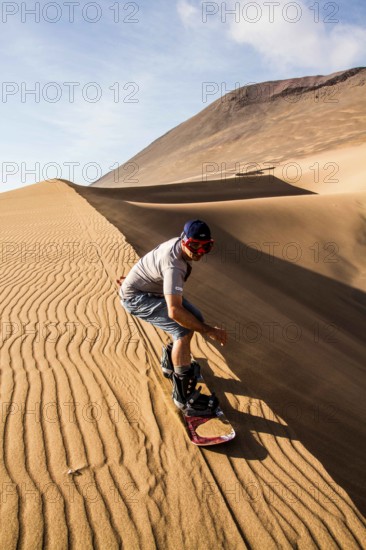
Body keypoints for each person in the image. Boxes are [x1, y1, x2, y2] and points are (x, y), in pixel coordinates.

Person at [118, 219, 228, 416]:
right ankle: (183, 398)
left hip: (148, 290)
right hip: (137, 298)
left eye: (206, 247)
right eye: (194, 246)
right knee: (183, 329)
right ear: (184, 241)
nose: (199, 252)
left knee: (195, 317)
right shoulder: (174, 266)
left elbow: (150, 261)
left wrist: (134, 278)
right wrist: (209, 330)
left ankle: (170, 365)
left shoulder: (176, 246)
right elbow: (174, 312)